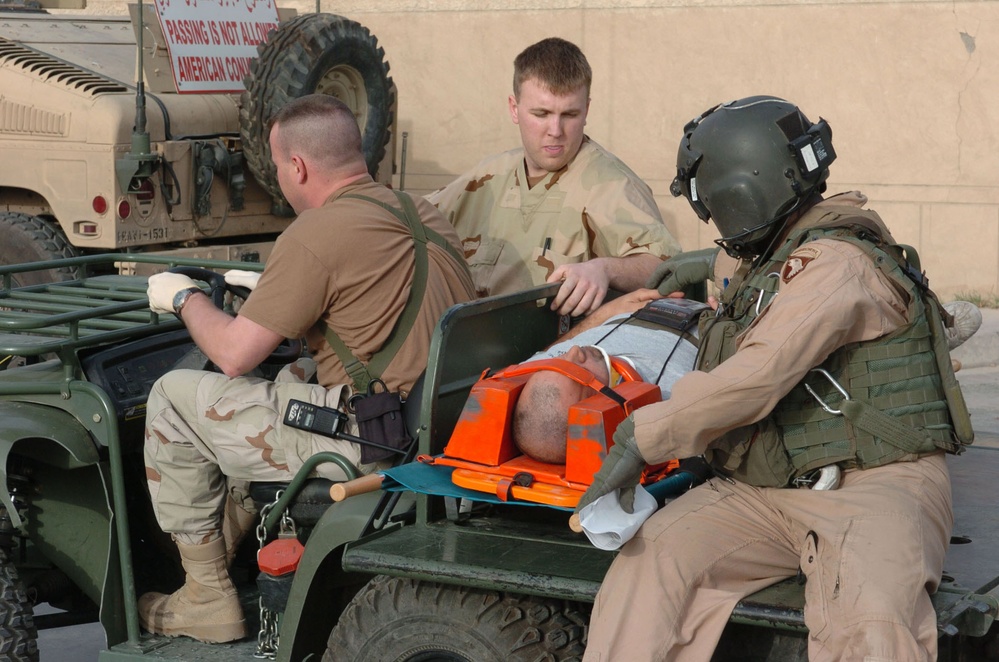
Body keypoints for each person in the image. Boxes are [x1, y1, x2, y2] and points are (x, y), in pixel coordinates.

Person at [578, 95, 973, 661]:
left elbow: (756, 376)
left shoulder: (837, 266)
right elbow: (764, 269)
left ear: (738, 196)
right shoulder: (780, 250)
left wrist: (642, 438)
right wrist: (702, 265)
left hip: (875, 485)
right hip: (765, 489)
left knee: (871, 625)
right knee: (652, 565)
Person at [139, 94, 475, 643]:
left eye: (276, 165)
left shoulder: (314, 233)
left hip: (374, 442)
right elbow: (363, 301)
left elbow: (232, 353)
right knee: (291, 377)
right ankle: (228, 542)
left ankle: (206, 596)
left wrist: (184, 299)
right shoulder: (422, 212)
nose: (279, 176)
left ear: (297, 166)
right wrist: (270, 293)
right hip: (438, 422)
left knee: (174, 395)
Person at [427, 37, 681, 317]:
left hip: (559, 354)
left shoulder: (611, 185)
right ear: (514, 108)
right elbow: (411, 218)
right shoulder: (485, 178)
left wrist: (604, 269)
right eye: (541, 113)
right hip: (471, 347)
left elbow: (667, 267)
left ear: (586, 110)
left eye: (569, 114)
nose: (556, 130)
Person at [512, 289, 699, 464]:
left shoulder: (539, 369)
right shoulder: (677, 395)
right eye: (578, 373)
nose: (574, 351)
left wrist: (610, 310)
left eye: (556, 362)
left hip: (639, 305)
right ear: (603, 408)